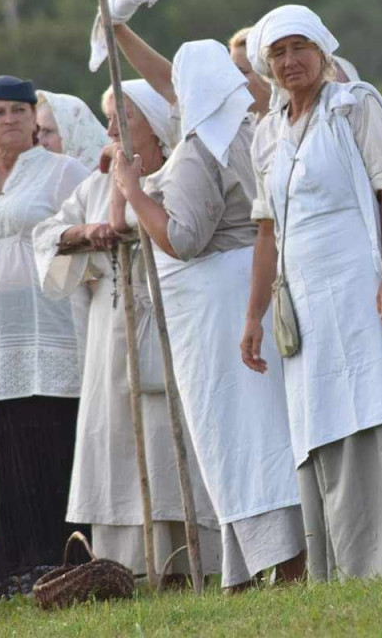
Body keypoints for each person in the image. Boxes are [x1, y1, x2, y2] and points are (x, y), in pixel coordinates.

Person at [240, 4, 382, 581]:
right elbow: (268, 230)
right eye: (279, 52)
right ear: (267, 64)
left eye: (301, 48)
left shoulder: (355, 104)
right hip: (306, 300)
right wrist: (254, 316)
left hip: (364, 284)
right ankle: (349, 560)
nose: (291, 61)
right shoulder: (267, 133)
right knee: (324, 416)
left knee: (381, 397)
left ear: (322, 50)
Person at [112, 42, 304, 592]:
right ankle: (279, 557)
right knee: (263, 428)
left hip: (218, 302)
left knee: (238, 434)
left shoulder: (202, 147)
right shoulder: (249, 129)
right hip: (244, 288)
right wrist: (122, 32)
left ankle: (280, 560)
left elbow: (183, 237)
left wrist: (131, 189)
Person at [33, 79, 222, 584]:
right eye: (111, 117)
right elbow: (47, 234)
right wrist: (84, 232)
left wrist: (131, 198)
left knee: (175, 437)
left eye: (126, 117)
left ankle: (193, 561)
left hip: (176, 326)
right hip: (110, 335)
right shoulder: (94, 187)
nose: (113, 128)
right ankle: (130, 566)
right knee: (117, 443)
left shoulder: (182, 176)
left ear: (157, 126)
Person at [0, 76, 91, 599]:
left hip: (53, 329)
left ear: (35, 119)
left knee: (52, 441)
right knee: (8, 452)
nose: (10, 120)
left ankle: (64, 562)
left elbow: (91, 243)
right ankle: (15, 570)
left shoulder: (62, 173)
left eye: (20, 111)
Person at [35, 90, 110, 171]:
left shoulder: (113, 177)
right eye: (36, 131)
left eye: (48, 131)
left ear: (76, 134)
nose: (38, 141)